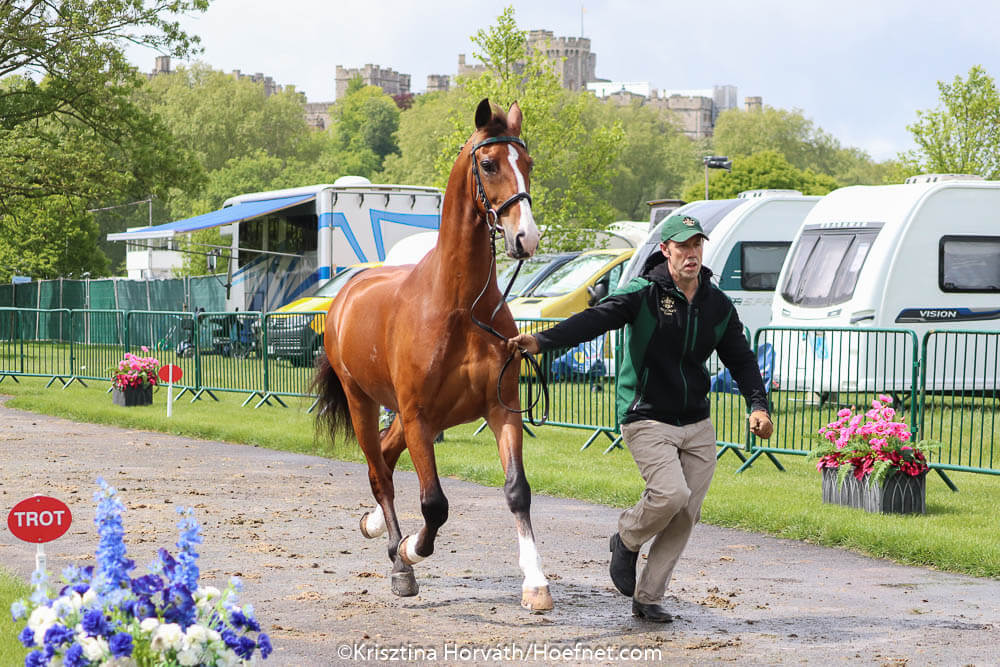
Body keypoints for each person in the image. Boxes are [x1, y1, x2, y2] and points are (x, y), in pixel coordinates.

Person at [509, 213, 773, 622]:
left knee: (686, 513)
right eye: (682, 246)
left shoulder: (716, 304)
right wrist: (544, 341)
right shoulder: (643, 293)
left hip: (697, 422)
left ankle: (648, 597)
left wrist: (758, 405)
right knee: (671, 494)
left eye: (697, 245)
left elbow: (741, 358)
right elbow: (595, 320)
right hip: (645, 416)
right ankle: (627, 538)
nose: (691, 253)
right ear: (665, 249)